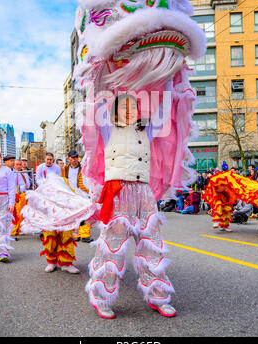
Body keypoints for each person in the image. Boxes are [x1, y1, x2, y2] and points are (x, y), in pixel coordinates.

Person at [86, 94, 176, 320]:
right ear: (114, 112)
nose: (129, 111)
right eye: (123, 107)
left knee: (151, 246)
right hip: (118, 191)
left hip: (143, 193)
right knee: (111, 248)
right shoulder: (108, 129)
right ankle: (101, 298)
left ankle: (159, 296)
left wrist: (169, 73)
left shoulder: (146, 130)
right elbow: (95, 102)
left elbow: (164, 110)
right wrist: (95, 74)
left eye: (133, 107)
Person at [36, 153, 80, 274]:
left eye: (51, 160)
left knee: (66, 234)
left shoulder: (63, 176)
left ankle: (67, 263)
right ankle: (51, 262)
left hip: (64, 208)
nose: (49, 161)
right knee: (50, 234)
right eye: (47, 159)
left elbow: (72, 190)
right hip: (48, 208)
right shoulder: (41, 177)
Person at [62, 150, 93, 243]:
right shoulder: (64, 169)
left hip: (83, 194)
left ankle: (85, 235)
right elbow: (62, 180)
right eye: (73, 157)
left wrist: (89, 193)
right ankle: (74, 234)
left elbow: (88, 180)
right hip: (70, 195)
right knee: (73, 215)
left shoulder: (83, 168)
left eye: (76, 157)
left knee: (84, 214)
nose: (75, 159)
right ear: (69, 158)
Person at [11, 159, 30, 238]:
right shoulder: (12, 173)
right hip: (13, 195)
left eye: (20, 164)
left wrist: (20, 190)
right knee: (14, 213)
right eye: (17, 164)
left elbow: (27, 184)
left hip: (21, 195)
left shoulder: (24, 173)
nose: (19, 166)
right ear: (14, 165)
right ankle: (14, 229)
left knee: (21, 213)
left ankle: (20, 228)